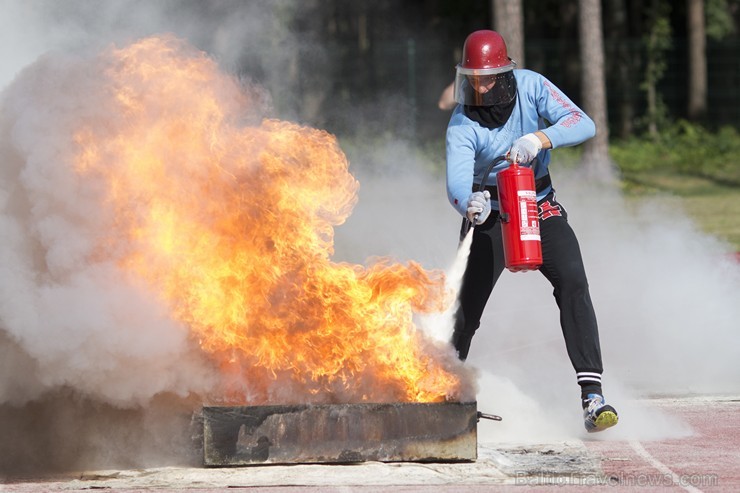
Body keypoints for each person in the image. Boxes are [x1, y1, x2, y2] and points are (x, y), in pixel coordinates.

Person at [444, 29, 618, 433]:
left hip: (538, 204)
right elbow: (454, 181)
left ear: (505, 73)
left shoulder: (532, 85)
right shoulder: (461, 123)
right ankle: (441, 395)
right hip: (489, 212)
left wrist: (539, 139)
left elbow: (583, 123)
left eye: (487, 78)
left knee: (574, 282)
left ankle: (593, 396)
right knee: (465, 310)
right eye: (472, 78)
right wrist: (469, 203)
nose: (479, 87)